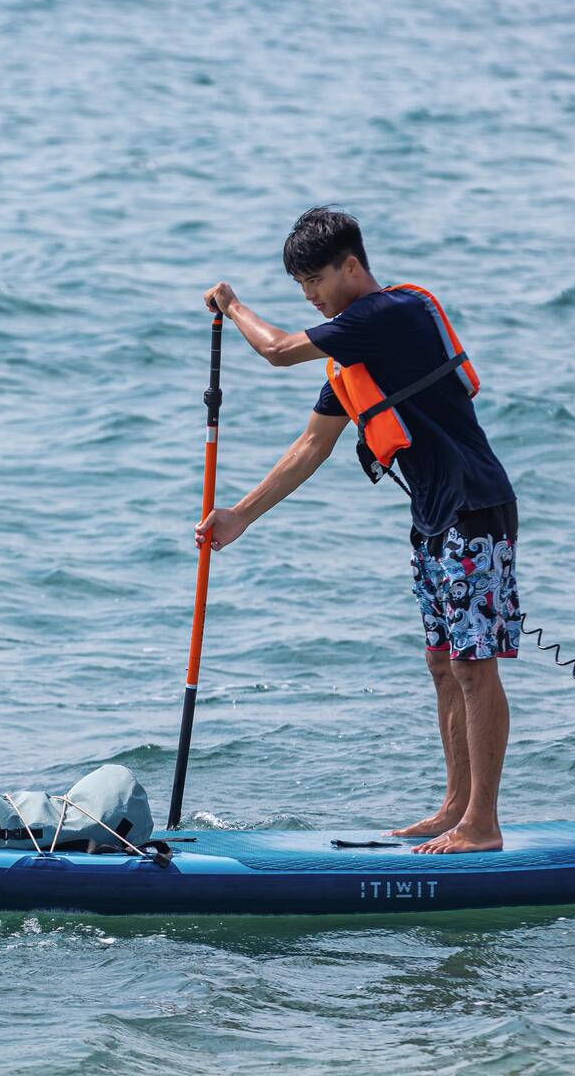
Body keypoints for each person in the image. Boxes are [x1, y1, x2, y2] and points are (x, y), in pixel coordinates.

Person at [196, 207, 521, 853]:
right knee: (441, 662)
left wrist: (231, 305)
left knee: (472, 664)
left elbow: (278, 349)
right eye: (301, 289)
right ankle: (455, 806)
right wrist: (238, 515)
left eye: (315, 281)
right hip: (432, 516)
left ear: (351, 265)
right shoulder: (353, 355)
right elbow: (310, 447)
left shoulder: (386, 315)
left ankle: (483, 822)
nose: (312, 297)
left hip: (473, 506)